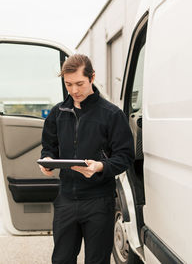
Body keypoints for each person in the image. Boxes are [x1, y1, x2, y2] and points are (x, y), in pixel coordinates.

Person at [39, 54, 135, 264]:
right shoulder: (58, 113)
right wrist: (47, 160)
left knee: (97, 261)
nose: (74, 90)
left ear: (92, 78)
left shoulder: (111, 115)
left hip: (99, 201)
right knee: (62, 260)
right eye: (68, 84)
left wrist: (101, 166)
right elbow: (49, 147)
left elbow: (126, 156)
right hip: (66, 200)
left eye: (80, 84)